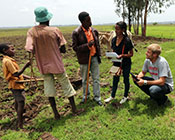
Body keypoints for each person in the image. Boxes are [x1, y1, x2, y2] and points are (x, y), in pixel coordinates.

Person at [25, 7, 83, 119]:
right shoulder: (55, 30)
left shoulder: (31, 31)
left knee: (49, 88)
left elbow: (29, 48)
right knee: (66, 85)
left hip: (43, 65)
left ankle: (56, 114)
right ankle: (74, 109)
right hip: (56, 64)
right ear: (48, 18)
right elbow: (63, 49)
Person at [71, 11, 102, 106]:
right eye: (88, 20)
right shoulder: (76, 33)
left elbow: (97, 45)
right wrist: (87, 46)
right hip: (84, 59)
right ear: (82, 22)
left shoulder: (94, 31)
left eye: (90, 19)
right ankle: (86, 96)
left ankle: (97, 98)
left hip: (94, 58)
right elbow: (75, 48)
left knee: (96, 78)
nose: (90, 22)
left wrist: (98, 55)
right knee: (85, 79)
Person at [0, 43, 30, 129]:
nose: (14, 51)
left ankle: (19, 119)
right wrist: (26, 66)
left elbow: (18, 74)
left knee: (18, 102)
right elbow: (16, 74)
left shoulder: (9, 60)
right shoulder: (8, 61)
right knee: (21, 102)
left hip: (17, 84)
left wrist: (30, 77)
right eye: (12, 49)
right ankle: (20, 124)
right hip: (15, 85)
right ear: (5, 51)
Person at [104, 21, 134, 104]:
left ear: (123, 30)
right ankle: (112, 96)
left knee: (126, 79)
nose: (116, 31)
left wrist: (123, 55)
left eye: (118, 29)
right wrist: (111, 56)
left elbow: (131, 54)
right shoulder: (113, 40)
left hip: (126, 63)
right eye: (115, 29)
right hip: (116, 63)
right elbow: (114, 51)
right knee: (115, 80)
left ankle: (125, 96)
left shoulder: (127, 40)